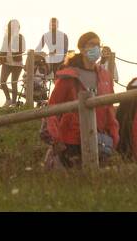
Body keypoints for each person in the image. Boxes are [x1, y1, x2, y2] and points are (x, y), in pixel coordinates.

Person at [43, 31, 119, 169]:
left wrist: (114, 134)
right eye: (92, 44)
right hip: (71, 138)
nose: (96, 48)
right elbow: (52, 108)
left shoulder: (105, 76)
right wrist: (56, 137)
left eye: (98, 45)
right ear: (82, 48)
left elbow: (109, 108)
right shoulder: (69, 76)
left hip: (100, 137)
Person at [0, 19, 26, 105]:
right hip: (7, 63)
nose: (12, 28)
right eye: (11, 26)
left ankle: (13, 103)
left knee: (14, 83)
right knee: (2, 81)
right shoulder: (6, 37)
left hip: (17, 64)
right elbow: (2, 49)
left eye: (14, 26)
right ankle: (8, 99)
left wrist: (15, 49)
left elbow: (23, 49)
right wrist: (0, 58)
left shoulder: (21, 37)